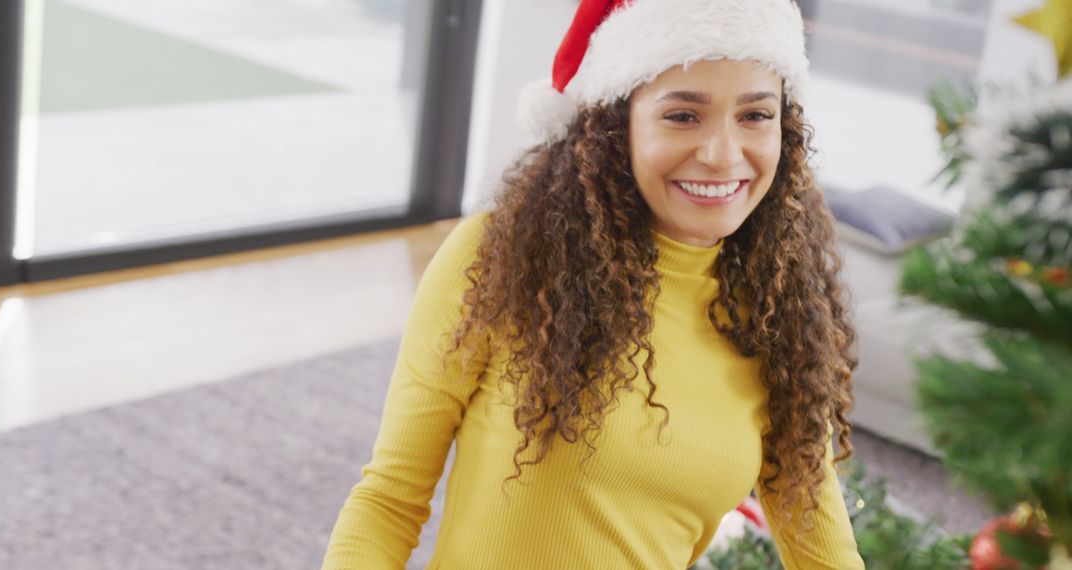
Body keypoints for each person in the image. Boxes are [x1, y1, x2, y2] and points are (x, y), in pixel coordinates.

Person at [322, 0, 864, 568]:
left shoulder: (780, 321)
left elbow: (821, 543)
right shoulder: (505, 259)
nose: (723, 154)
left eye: (756, 115)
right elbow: (388, 501)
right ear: (614, 126)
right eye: (682, 115)